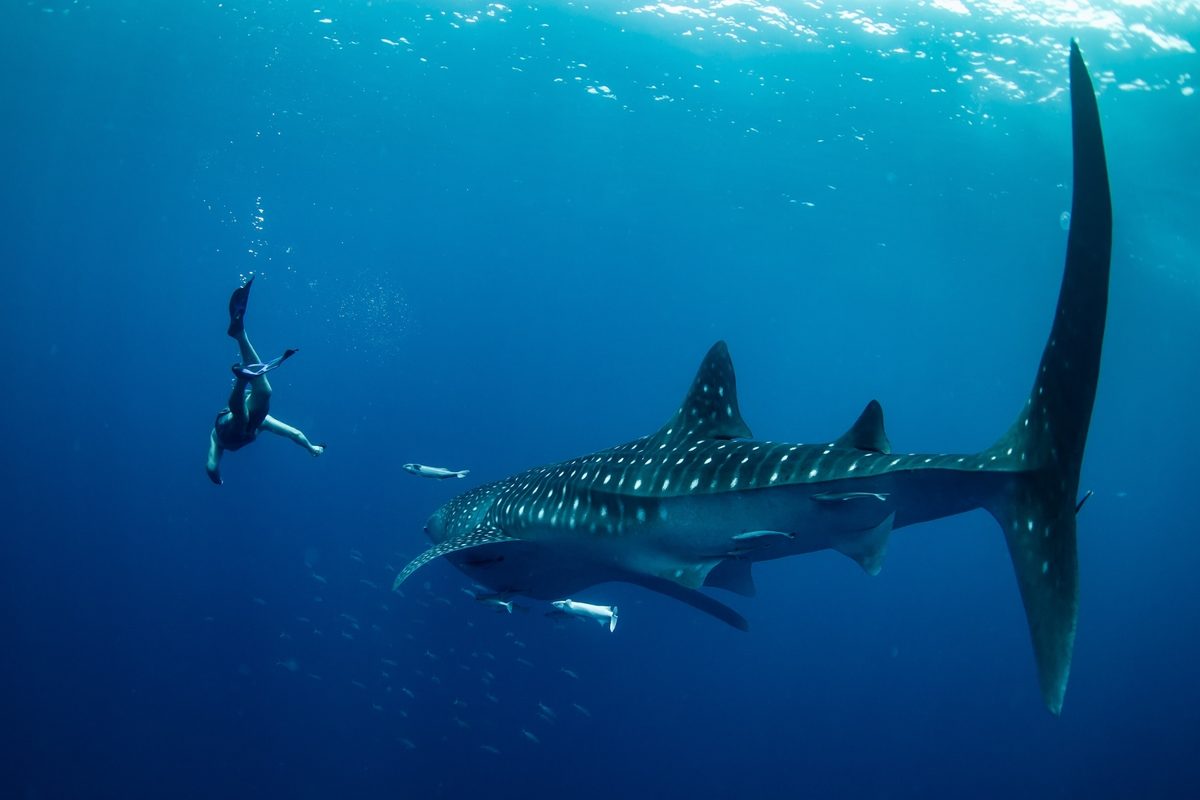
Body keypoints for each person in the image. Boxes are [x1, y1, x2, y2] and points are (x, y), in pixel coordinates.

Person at [206, 275, 324, 485]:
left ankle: (240, 342)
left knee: (259, 400)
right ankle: (242, 376)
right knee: (247, 411)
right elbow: (294, 433)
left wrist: (217, 476)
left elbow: (212, 465)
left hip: (231, 424)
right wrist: (311, 448)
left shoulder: (223, 435)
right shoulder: (255, 424)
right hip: (230, 421)